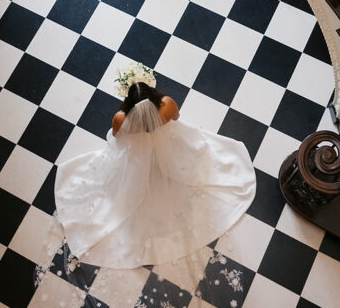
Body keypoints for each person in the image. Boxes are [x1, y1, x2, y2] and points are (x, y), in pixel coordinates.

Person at [54, 79, 257, 270]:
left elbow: (115, 136)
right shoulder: (167, 104)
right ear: (153, 95)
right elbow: (176, 118)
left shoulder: (121, 118)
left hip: (138, 157)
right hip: (169, 150)